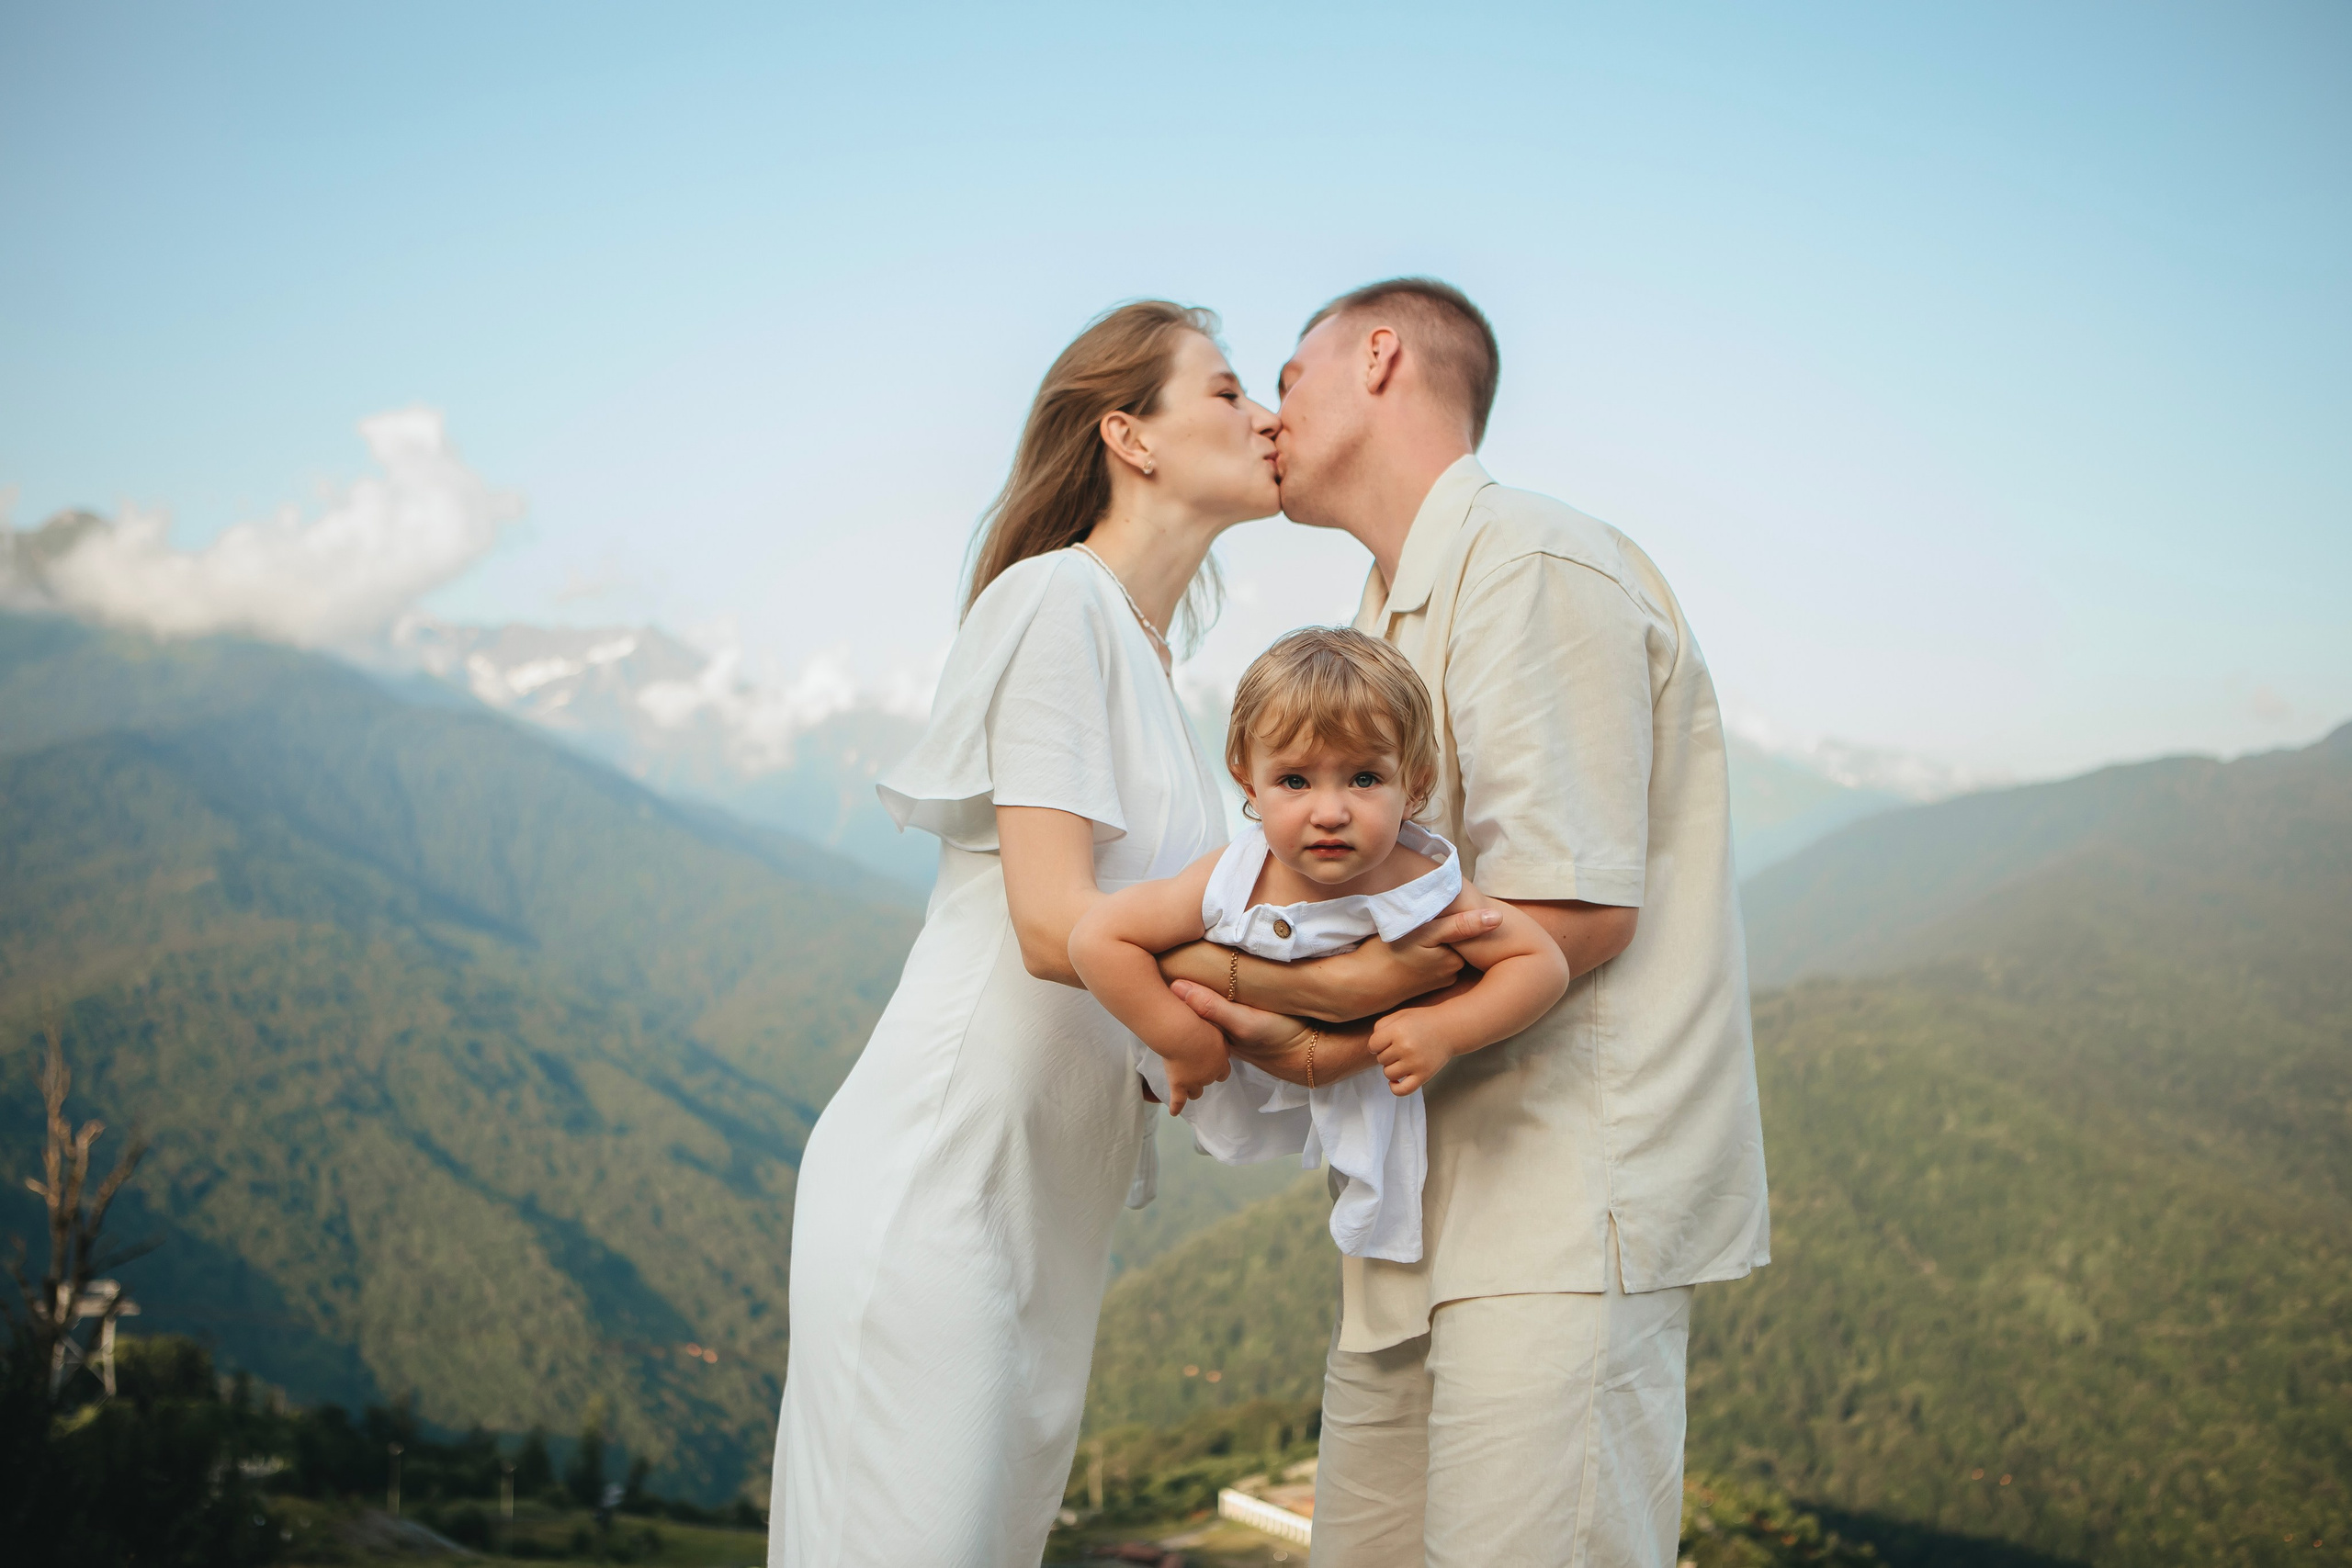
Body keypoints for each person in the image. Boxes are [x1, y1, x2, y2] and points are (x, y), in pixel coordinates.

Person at [766, 301, 1475, 1568]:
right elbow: (1055, 927)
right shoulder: (1053, 605)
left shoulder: (1147, 663)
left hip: (1049, 1199)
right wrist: (1362, 987)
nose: (1266, 416)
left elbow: (1171, 938)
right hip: (945, 1177)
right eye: (1225, 392)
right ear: (1127, 437)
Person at [1170, 278, 1771, 1567]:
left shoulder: (1537, 564)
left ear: (1380, 357)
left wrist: (1311, 1018)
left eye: (1291, 374)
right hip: (1414, 1218)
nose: (1273, 414)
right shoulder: (1377, 621)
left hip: (1556, 1207)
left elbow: (1570, 905)